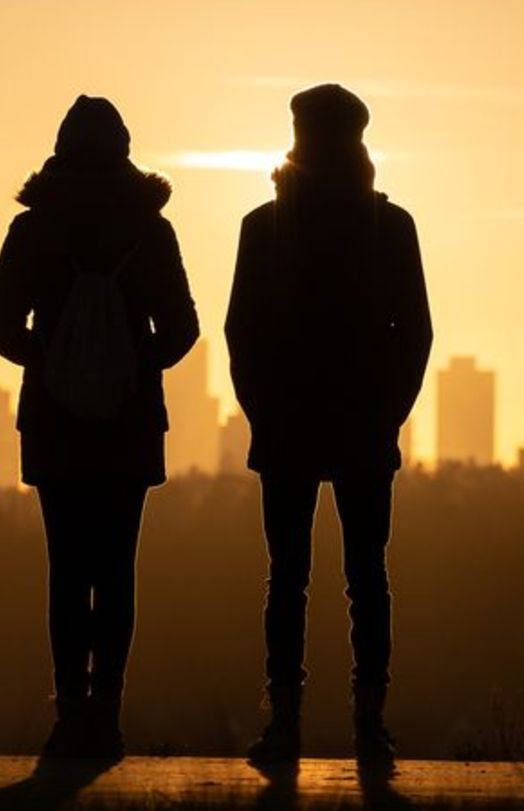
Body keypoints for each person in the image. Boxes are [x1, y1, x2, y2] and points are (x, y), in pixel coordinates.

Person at [0, 95, 199, 761]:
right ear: (124, 151)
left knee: (67, 569)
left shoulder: (33, 228)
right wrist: (134, 366)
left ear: (61, 149)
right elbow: (184, 329)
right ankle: (108, 711)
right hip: (129, 426)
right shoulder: (150, 230)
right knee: (117, 567)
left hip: (53, 425)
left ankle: (69, 711)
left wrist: (49, 362)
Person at [225, 84, 432, 771]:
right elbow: (417, 333)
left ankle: (283, 725)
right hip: (362, 428)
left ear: (297, 136)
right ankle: (369, 726)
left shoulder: (263, 225)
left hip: (287, 428)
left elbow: (239, 332)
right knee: (367, 576)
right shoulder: (391, 225)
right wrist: (387, 414)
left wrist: (262, 411)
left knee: (287, 577)